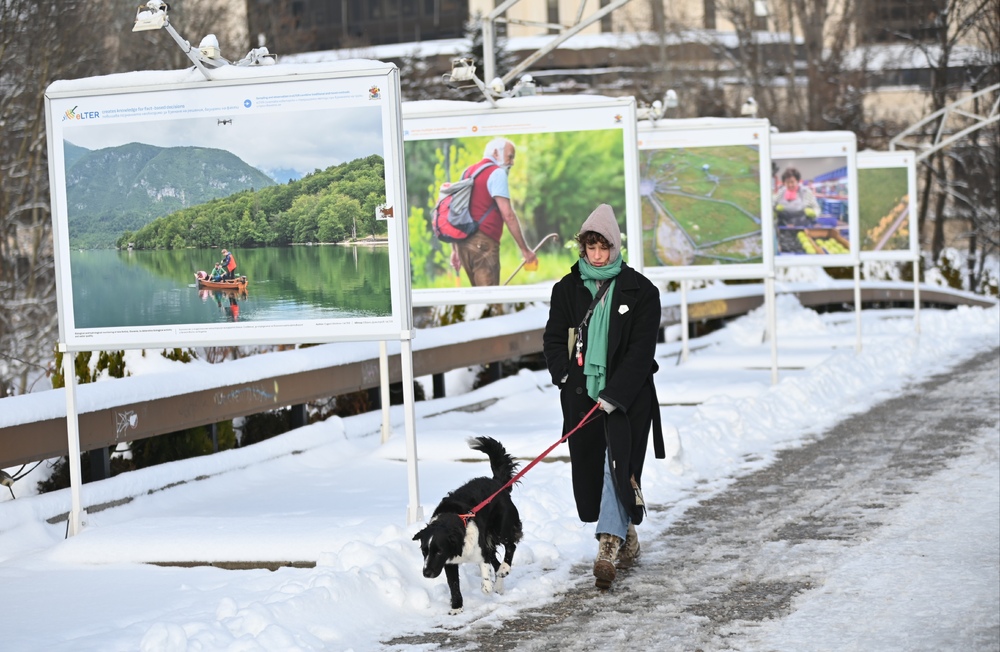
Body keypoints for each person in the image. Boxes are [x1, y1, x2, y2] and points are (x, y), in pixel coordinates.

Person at [542, 203, 665, 589]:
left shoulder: (642, 292)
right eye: (590, 248)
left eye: (604, 248)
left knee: (620, 466)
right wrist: (563, 374)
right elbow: (552, 337)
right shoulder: (567, 288)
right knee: (591, 476)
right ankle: (626, 535)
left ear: (615, 247)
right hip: (581, 396)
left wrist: (616, 393)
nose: (597, 256)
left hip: (628, 399)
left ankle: (607, 546)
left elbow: (641, 352)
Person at [449, 137, 538, 286]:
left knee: (480, 297)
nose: (512, 162)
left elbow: (455, 211)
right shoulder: (497, 173)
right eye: (510, 157)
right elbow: (508, 214)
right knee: (490, 301)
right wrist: (525, 250)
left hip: (463, 245)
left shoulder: (467, 172)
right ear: (496, 153)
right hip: (483, 243)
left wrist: (454, 249)